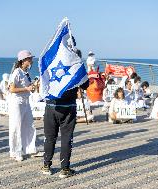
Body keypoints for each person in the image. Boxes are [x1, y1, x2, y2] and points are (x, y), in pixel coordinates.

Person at [41, 43, 89, 178]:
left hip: (51, 106)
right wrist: (80, 67)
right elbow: (86, 85)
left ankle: (46, 165)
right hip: (68, 107)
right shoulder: (77, 69)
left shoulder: (53, 64)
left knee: (50, 137)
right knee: (66, 138)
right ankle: (65, 169)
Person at [8, 50, 43, 161]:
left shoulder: (26, 73)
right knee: (16, 127)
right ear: (23, 60)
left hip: (26, 102)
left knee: (29, 126)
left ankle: (31, 149)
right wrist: (27, 88)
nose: (31, 60)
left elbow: (28, 88)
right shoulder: (16, 72)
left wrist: (33, 86)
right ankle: (15, 152)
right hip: (16, 103)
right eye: (29, 58)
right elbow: (12, 89)